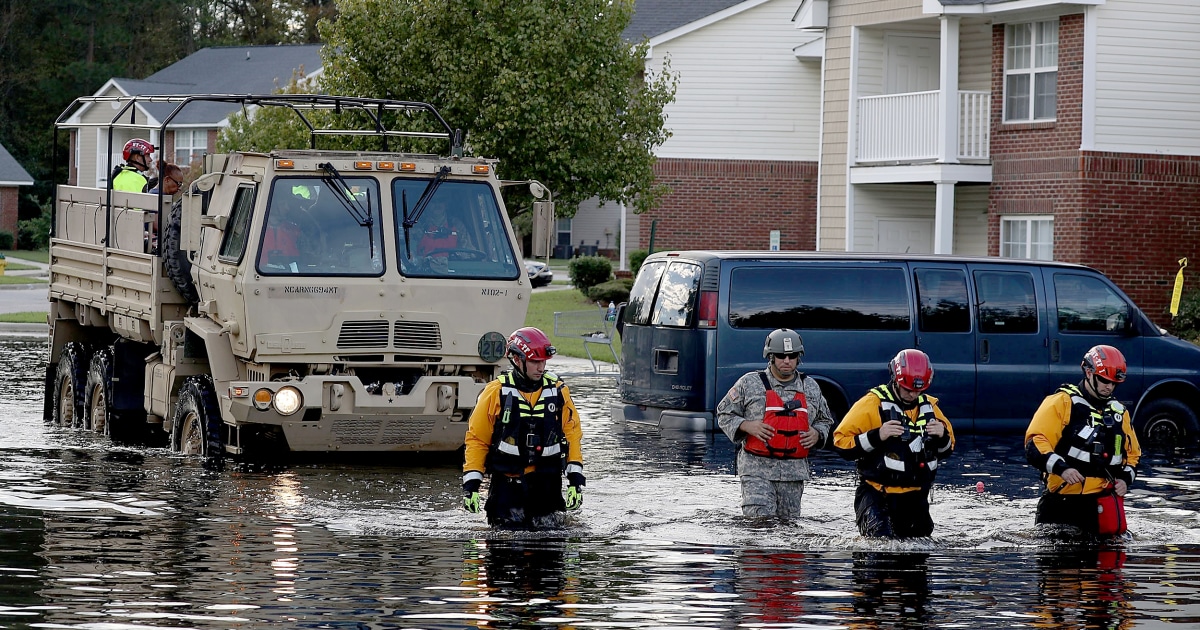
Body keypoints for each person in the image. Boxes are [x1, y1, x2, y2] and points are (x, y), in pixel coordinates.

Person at [462, 327, 585, 530]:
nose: (541, 367)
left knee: (550, 551)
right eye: (535, 361)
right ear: (517, 360)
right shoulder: (495, 392)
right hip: (507, 487)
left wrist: (575, 481)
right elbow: (477, 439)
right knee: (503, 551)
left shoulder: (558, 391)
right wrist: (472, 486)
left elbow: (572, 435)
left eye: (543, 362)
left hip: (547, 485)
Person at [833, 349, 954, 538]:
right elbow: (841, 444)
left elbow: (947, 449)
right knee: (880, 546)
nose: (913, 394)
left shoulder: (930, 408)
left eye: (918, 390)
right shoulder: (872, 404)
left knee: (918, 553)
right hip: (877, 495)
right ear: (896, 380)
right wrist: (877, 435)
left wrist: (942, 436)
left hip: (915, 499)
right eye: (908, 389)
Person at [716, 328, 833, 520]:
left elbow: (825, 420)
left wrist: (818, 433)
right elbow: (724, 413)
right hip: (756, 471)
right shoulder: (749, 383)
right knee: (760, 524)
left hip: (793, 474)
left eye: (792, 356)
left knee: (787, 531)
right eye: (781, 356)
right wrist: (746, 425)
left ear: (798, 357)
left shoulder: (810, 386)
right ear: (770, 357)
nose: (786, 361)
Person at [1025, 345, 1141, 537]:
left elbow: (1133, 455)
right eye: (1104, 380)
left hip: (1101, 504)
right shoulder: (1061, 402)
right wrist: (1063, 469)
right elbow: (1035, 443)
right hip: (1061, 503)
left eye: (1114, 383)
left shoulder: (1120, 412)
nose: (1109, 387)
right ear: (1088, 372)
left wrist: (1125, 479)